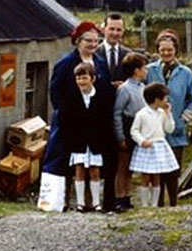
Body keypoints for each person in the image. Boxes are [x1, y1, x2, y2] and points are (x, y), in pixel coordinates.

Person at [41, 21, 112, 209]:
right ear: (78, 41)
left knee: (93, 162)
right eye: (88, 40)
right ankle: (60, 200)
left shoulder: (100, 64)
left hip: (94, 121)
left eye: (96, 41)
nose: (92, 44)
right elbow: (55, 92)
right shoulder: (65, 64)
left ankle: (90, 202)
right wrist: (65, 113)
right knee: (64, 158)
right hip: (69, 120)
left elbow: (105, 91)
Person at [145, 29, 192, 206]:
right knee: (157, 170)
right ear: (157, 51)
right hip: (154, 131)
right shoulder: (150, 70)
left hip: (176, 131)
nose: (166, 53)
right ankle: (158, 205)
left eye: (170, 50)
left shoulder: (186, 73)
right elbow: (142, 95)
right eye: (163, 50)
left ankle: (174, 204)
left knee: (173, 169)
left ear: (176, 50)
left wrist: (183, 120)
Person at [62, 62, 112, 212]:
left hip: (96, 140)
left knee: (95, 170)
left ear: (93, 79)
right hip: (78, 140)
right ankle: (80, 202)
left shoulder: (101, 97)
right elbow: (66, 120)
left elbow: (106, 121)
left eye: (84, 78)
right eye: (78, 79)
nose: (81, 82)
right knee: (79, 170)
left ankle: (96, 202)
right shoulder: (72, 98)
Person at [94, 13, 131, 212]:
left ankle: (115, 200)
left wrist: (124, 85)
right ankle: (91, 201)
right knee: (95, 159)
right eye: (111, 29)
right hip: (99, 114)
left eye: (119, 30)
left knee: (119, 160)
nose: (115, 33)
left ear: (123, 32)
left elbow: (138, 83)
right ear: (104, 29)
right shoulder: (95, 52)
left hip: (121, 116)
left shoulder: (128, 54)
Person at [129, 82, 179, 207]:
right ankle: (145, 204)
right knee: (146, 176)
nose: (167, 101)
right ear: (157, 99)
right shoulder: (141, 114)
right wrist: (142, 141)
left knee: (157, 176)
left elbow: (169, 129)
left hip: (160, 146)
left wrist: (168, 114)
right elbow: (134, 131)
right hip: (147, 147)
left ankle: (155, 203)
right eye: (165, 98)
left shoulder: (162, 113)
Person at [112, 52, 149, 212]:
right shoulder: (125, 89)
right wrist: (120, 136)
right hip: (127, 127)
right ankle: (120, 197)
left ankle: (127, 196)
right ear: (136, 70)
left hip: (138, 128)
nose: (146, 70)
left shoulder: (142, 88)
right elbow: (117, 113)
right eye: (143, 68)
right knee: (123, 166)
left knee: (130, 167)